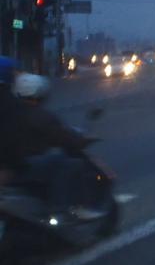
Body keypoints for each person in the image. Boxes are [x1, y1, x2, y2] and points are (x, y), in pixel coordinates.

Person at [0, 56, 91, 219]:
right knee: (67, 163)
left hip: (12, 165)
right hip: (12, 167)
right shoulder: (14, 106)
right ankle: (59, 211)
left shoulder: (16, 105)